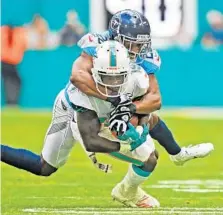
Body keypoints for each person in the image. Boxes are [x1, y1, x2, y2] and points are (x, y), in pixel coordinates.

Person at [1, 40, 160, 208]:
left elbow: (149, 107)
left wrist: (141, 125)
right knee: (45, 167)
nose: (113, 84)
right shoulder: (83, 92)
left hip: (100, 115)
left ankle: (127, 191)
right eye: (107, 77)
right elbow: (91, 141)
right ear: (95, 72)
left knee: (151, 156)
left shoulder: (137, 79)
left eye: (118, 77)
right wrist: (124, 147)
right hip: (71, 111)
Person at [70, 9, 214, 166]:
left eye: (141, 44)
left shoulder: (143, 58)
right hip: (95, 103)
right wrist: (113, 99)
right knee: (145, 151)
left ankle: (178, 154)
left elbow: (155, 99)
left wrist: (130, 107)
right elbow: (78, 77)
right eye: (132, 43)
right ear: (116, 37)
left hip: (120, 99)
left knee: (149, 118)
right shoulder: (98, 45)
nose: (137, 49)